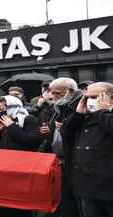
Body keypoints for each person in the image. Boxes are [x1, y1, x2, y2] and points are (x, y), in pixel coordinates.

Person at [61, 82, 113, 217]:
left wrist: (103, 111)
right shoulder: (85, 117)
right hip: (86, 185)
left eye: (95, 97)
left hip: (108, 185)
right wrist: (77, 114)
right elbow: (65, 133)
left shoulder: (104, 116)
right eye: (87, 97)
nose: (90, 101)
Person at [42, 77, 82, 217]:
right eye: (51, 93)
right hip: (60, 160)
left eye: (57, 93)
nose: (52, 96)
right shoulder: (59, 106)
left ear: (70, 91)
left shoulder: (80, 106)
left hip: (75, 162)